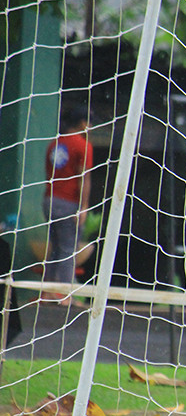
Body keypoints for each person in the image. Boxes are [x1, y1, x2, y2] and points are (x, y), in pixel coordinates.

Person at [42, 105, 93, 307]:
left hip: (49, 200)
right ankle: (65, 295)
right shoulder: (83, 145)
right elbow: (84, 178)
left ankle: (47, 291)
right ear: (82, 123)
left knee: (55, 247)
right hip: (68, 202)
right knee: (67, 248)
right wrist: (84, 206)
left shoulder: (55, 143)